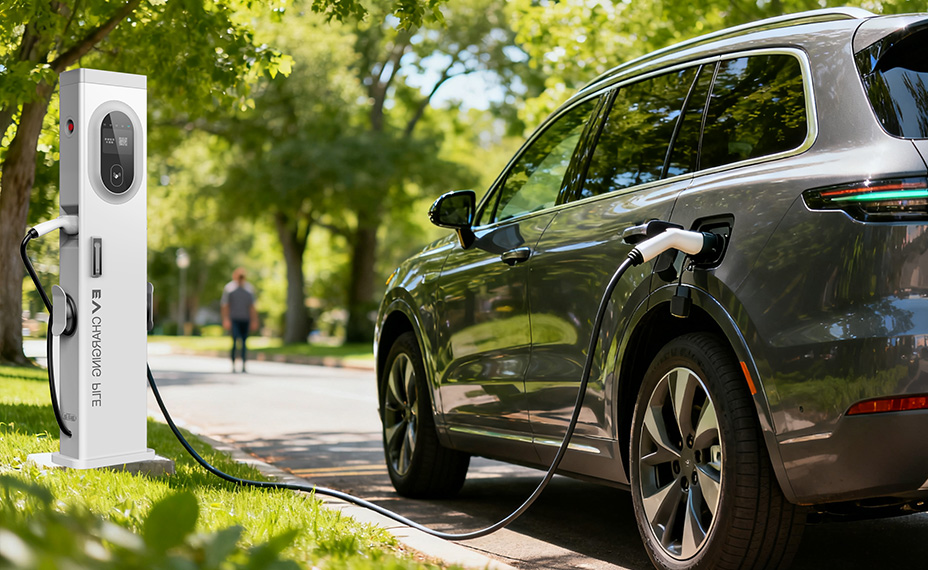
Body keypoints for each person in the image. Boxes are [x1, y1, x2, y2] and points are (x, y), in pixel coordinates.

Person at [221, 267, 258, 373]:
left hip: (245, 319)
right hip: (234, 319)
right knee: (234, 341)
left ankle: (244, 365)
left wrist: (254, 320)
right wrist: (226, 319)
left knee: (244, 343)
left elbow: (252, 307)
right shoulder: (230, 289)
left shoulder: (249, 289)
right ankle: (233, 364)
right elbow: (225, 306)